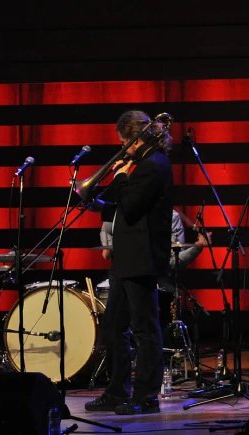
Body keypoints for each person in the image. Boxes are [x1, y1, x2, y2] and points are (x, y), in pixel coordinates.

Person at [85, 110, 173, 415]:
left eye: (126, 140)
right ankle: (117, 390)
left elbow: (133, 205)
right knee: (113, 325)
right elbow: (124, 205)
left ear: (137, 137)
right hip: (126, 258)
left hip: (142, 258)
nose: (124, 146)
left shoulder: (154, 165)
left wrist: (121, 175)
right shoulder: (142, 164)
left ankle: (146, 396)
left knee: (144, 329)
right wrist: (98, 202)